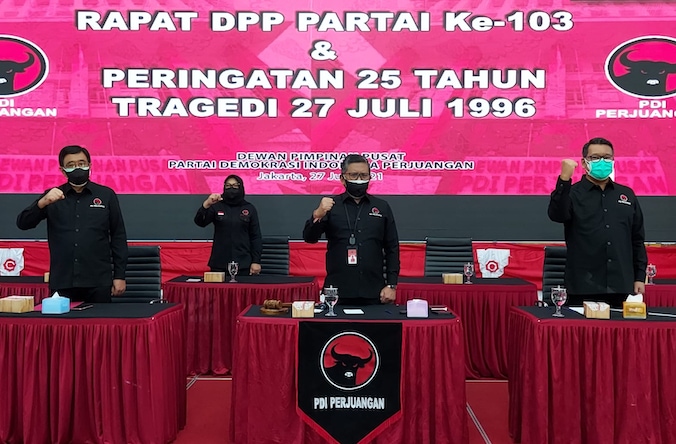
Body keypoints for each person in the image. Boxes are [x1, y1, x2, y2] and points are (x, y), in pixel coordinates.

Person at [16, 145, 128, 303]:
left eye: (82, 163)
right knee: (63, 320)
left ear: (89, 165)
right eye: (71, 165)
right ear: (63, 171)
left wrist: (119, 276)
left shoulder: (106, 195)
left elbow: (118, 236)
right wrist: (42, 203)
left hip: (98, 281)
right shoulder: (52, 196)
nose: (78, 168)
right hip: (63, 281)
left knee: (99, 320)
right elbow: (23, 223)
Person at [548, 137, 647, 308]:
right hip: (582, 284)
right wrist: (564, 179)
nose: (602, 161)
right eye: (595, 157)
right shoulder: (572, 193)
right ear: (584, 162)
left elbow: (637, 239)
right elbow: (556, 215)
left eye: (607, 157)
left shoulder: (626, 195)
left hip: (619, 284)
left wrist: (639, 276)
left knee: (617, 326)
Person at [303, 154, 400, 305]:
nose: (359, 179)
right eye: (354, 175)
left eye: (364, 175)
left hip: (374, 291)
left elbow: (392, 248)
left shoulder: (381, 207)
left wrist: (392, 285)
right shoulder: (331, 206)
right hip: (337, 292)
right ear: (343, 179)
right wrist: (317, 215)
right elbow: (310, 238)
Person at [195, 174, 262, 275]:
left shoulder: (249, 208)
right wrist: (206, 204)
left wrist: (256, 261)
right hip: (219, 263)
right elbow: (200, 222)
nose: (231, 188)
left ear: (241, 187)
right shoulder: (216, 206)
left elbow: (255, 237)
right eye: (228, 185)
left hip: (243, 263)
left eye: (235, 186)